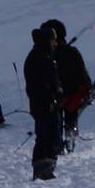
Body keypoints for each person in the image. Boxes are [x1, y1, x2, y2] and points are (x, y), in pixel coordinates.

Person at [25, 25, 63, 179]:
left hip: (47, 104)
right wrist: (50, 98)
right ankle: (43, 169)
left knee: (50, 136)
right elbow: (38, 85)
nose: (55, 43)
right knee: (46, 137)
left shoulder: (44, 56)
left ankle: (47, 168)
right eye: (53, 40)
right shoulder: (38, 58)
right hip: (44, 104)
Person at [45, 19, 90, 149]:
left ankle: (59, 143)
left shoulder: (50, 54)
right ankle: (71, 140)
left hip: (59, 94)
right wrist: (87, 85)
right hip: (73, 92)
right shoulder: (71, 51)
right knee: (71, 117)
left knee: (57, 120)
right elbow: (82, 71)